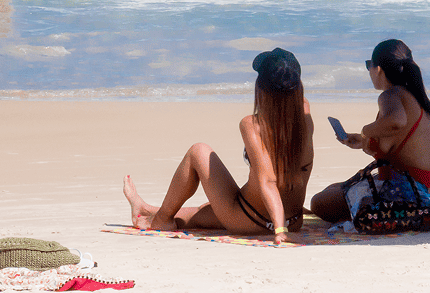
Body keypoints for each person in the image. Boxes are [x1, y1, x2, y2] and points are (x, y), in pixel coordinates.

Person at [123, 48, 315, 244]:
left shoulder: (253, 125)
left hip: (251, 218)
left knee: (198, 151)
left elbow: (268, 181)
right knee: (203, 211)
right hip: (293, 220)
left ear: (261, 88)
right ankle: (145, 210)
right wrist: (284, 225)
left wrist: (279, 230)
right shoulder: (305, 116)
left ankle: (162, 220)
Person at [310, 39, 430, 223]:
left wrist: (366, 131)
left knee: (319, 202)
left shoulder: (390, 95)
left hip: (410, 194)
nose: (369, 71)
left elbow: (397, 121)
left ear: (378, 69)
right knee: (334, 189)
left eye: (368, 65)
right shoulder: (414, 95)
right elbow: (394, 142)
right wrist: (364, 141)